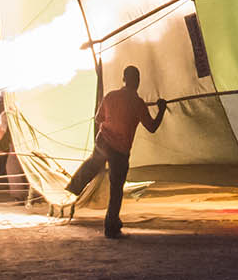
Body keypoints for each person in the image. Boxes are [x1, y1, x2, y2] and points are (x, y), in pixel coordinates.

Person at [64, 65, 167, 239]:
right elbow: (152, 127)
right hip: (120, 150)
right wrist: (161, 109)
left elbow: (98, 119)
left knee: (94, 162)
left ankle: (75, 185)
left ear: (124, 79)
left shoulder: (110, 96)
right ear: (138, 82)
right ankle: (111, 226)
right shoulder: (138, 103)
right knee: (116, 188)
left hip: (103, 140)